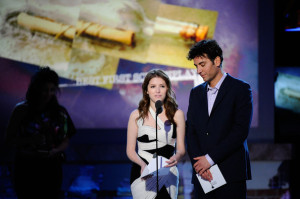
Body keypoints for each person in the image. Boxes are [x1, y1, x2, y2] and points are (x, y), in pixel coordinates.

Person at [185, 39, 253, 199]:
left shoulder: (241, 89)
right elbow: (191, 131)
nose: (199, 70)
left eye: (202, 64)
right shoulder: (195, 93)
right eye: (196, 66)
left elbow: (240, 131)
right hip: (203, 175)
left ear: (217, 61)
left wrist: (209, 160)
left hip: (231, 172)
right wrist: (200, 165)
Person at [5, 66, 76, 199]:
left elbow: (66, 139)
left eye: (52, 90)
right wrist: (30, 141)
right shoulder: (21, 110)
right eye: (44, 90)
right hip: (26, 168)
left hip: (51, 168)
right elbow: (9, 139)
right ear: (36, 89)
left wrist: (55, 151)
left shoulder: (60, 112)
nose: (48, 94)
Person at [126, 69, 186, 198]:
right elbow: (130, 151)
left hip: (167, 170)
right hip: (143, 172)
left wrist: (176, 157)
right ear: (146, 90)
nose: (157, 90)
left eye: (162, 86)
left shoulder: (177, 114)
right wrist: (142, 165)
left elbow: (181, 149)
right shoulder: (136, 115)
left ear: (167, 89)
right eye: (153, 86)